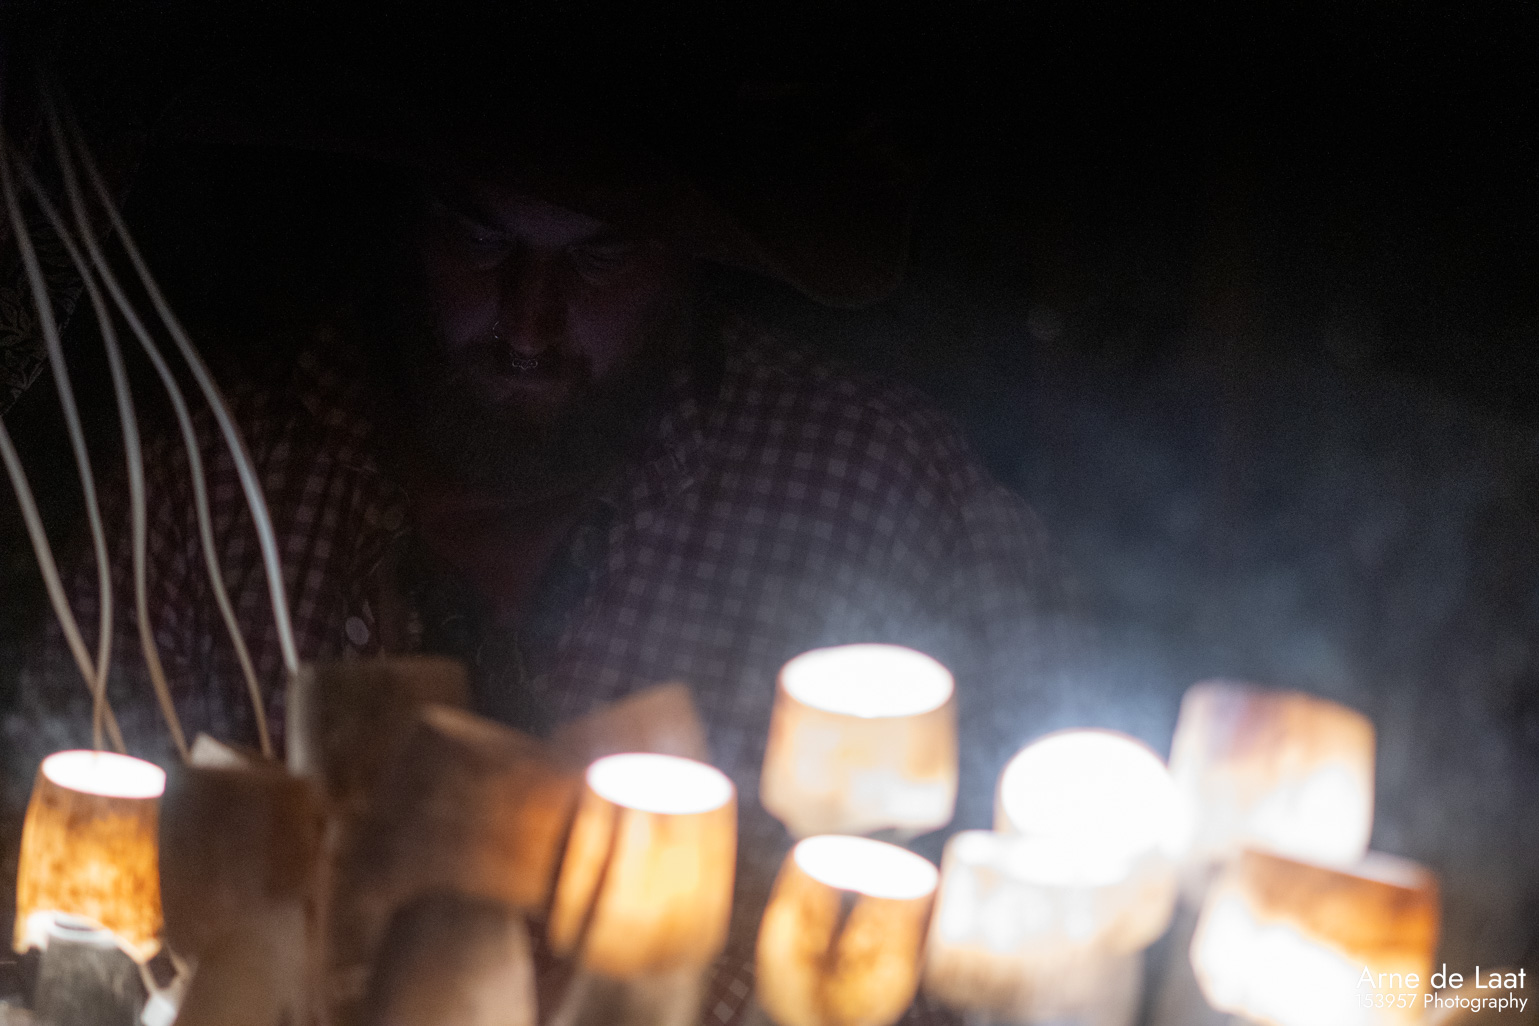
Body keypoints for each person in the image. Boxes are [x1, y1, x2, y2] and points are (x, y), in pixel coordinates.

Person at [3, 68, 1082, 1025]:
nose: (529, 319)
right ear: (409, 222)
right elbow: (62, 887)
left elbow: (1038, 917)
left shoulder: (873, 487)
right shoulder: (209, 475)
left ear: (686, 263)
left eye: (601, 256)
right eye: (482, 242)